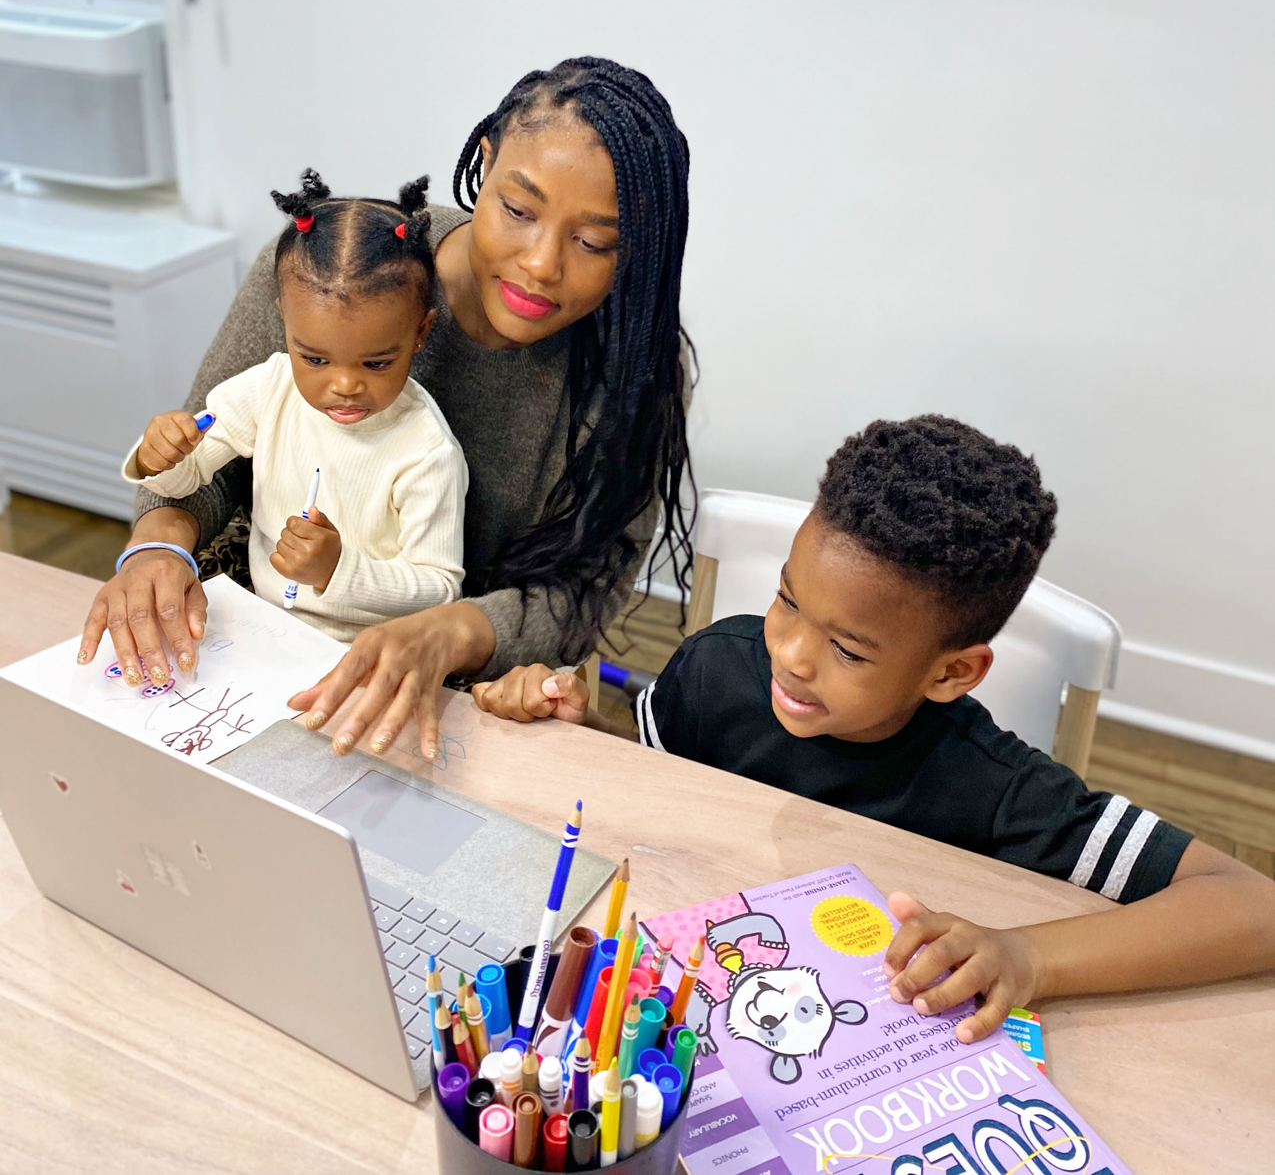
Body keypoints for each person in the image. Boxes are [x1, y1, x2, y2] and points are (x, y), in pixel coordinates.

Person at [470, 415, 1275, 1040]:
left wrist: (1026, 955)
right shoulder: (717, 667)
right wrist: (586, 729)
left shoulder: (995, 787)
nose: (786, 653)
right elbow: (667, 781)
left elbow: (1251, 908)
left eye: (847, 649)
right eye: (786, 598)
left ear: (951, 672)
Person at [78, 57, 694, 757]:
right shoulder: (337, 271)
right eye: (517, 211)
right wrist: (157, 544)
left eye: (594, 242)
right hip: (245, 651)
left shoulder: (632, 368)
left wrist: (451, 631)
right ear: (485, 164)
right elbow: (203, 453)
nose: (541, 264)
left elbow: (581, 591)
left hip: (464, 699)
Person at [118, 171, 467, 644]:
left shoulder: (427, 453)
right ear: (284, 318)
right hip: (259, 625)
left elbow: (440, 589)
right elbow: (189, 478)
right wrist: (158, 456)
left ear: (420, 334)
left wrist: (339, 569)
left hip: (371, 653)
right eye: (315, 358)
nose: (344, 385)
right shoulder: (269, 388)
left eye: (377, 362)